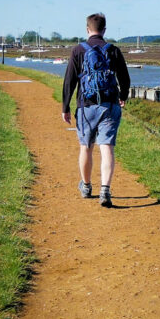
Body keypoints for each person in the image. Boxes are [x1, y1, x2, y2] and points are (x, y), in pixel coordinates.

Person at [62, 13, 130, 207]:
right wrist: (123, 96)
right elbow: (124, 77)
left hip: (86, 107)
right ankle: (105, 190)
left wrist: (65, 107)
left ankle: (86, 186)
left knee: (86, 147)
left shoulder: (78, 50)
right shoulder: (114, 50)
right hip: (110, 105)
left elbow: (70, 81)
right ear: (105, 30)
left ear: (87, 29)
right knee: (106, 147)